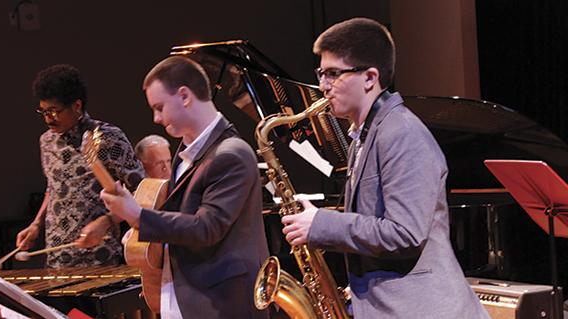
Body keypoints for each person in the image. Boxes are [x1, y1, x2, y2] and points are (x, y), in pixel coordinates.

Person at [281, 18, 489, 318]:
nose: (323, 86)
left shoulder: (402, 133)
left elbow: (405, 233)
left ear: (369, 78)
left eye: (332, 74)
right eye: (321, 73)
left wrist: (322, 225)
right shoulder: (364, 137)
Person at [100, 56, 269, 318]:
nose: (156, 118)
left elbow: (206, 228)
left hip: (220, 306)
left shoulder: (231, 154)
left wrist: (137, 216)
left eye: (159, 107)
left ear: (184, 96)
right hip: (185, 300)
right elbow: (181, 225)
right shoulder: (186, 153)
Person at [16, 64, 144, 268]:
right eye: (43, 111)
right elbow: (53, 187)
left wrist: (107, 222)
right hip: (57, 257)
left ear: (77, 105)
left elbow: (141, 191)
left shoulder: (108, 138)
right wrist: (36, 224)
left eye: (54, 111)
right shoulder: (46, 141)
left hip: (99, 256)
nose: (48, 118)